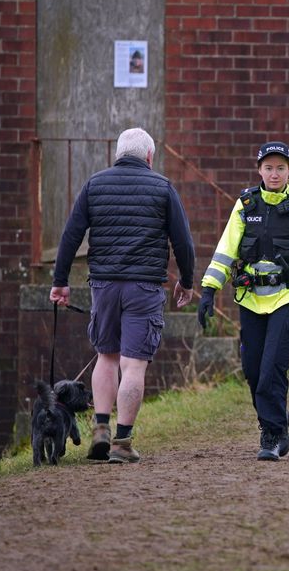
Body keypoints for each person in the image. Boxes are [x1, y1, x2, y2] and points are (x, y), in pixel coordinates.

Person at [49, 127, 195, 464]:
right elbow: (183, 242)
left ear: (117, 154)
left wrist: (60, 281)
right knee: (133, 364)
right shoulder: (162, 187)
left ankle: (100, 427)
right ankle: (122, 442)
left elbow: (72, 234)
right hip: (144, 286)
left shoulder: (94, 185)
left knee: (106, 355)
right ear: (149, 157)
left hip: (104, 284)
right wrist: (186, 281)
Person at [197, 141, 289, 461]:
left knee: (273, 366)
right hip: (251, 298)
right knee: (252, 369)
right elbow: (226, 250)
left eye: (280, 168)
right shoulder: (245, 205)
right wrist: (209, 289)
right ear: (259, 169)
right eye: (268, 167)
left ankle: (273, 435)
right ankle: (275, 416)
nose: (274, 174)